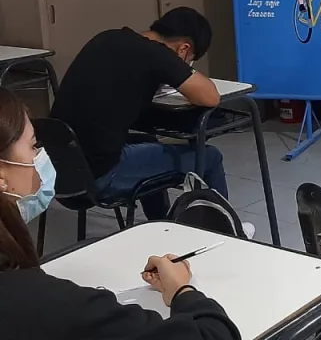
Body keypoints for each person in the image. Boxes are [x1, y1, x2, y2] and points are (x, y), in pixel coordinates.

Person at [0, 88, 242, 340]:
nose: (42, 157)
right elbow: (216, 335)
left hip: (87, 173)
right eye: (34, 146)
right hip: (106, 175)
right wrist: (183, 290)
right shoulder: (46, 303)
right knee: (205, 155)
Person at [50, 7, 228, 221]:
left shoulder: (108, 37)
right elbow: (210, 97)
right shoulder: (156, 54)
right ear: (183, 49)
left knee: (147, 141)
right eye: (190, 59)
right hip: (99, 177)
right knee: (210, 157)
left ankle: (161, 223)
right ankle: (226, 232)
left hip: (60, 172)